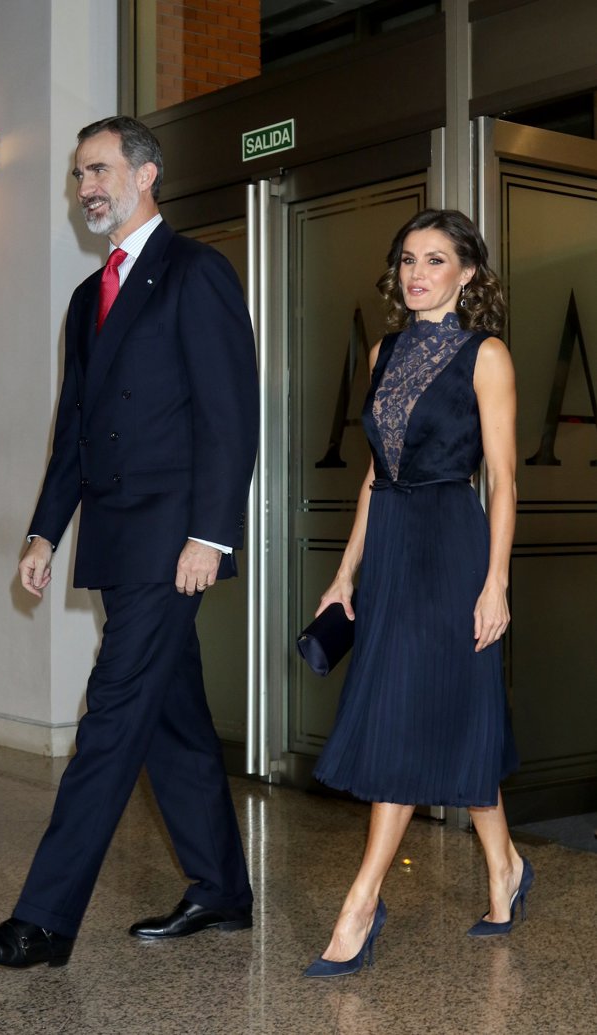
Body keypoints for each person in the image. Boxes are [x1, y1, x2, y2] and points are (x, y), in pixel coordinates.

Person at [0, 116, 259, 969]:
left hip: (173, 543)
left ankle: (44, 921)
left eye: (98, 169)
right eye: (79, 175)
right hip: (118, 543)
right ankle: (222, 889)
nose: (86, 187)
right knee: (173, 721)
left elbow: (231, 415)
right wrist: (44, 530)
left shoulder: (196, 271)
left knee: (111, 717)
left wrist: (210, 535)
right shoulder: (89, 298)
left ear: (146, 173)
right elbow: (76, 431)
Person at [304, 209, 533, 979]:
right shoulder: (384, 350)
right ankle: (505, 866)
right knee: (444, 711)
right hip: (393, 551)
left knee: (415, 714)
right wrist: (345, 573)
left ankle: (361, 902)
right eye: (408, 259)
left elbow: (503, 480)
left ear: (467, 273)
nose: (417, 273)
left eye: (436, 260)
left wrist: (496, 582)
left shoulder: (486, 355)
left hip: (452, 548)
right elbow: (375, 474)